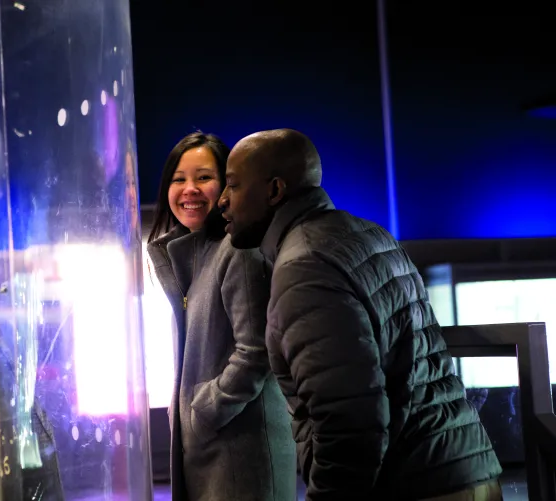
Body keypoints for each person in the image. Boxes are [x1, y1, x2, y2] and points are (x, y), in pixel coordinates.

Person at [218, 128, 503, 500]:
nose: (222, 201)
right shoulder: (369, 233)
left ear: (274, 190)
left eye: (233, 186)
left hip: (416, 487)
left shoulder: (304, 266)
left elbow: (349, 423)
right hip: (464, 472)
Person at [147, 131, 296, 501]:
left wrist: (202, 414)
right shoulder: (191, 258)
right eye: (178, 179)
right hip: (211, 451)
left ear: (227, 188)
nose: (189, 189)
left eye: (204, 178)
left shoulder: (237, 250)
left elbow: (256, 352)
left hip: (241, 452)